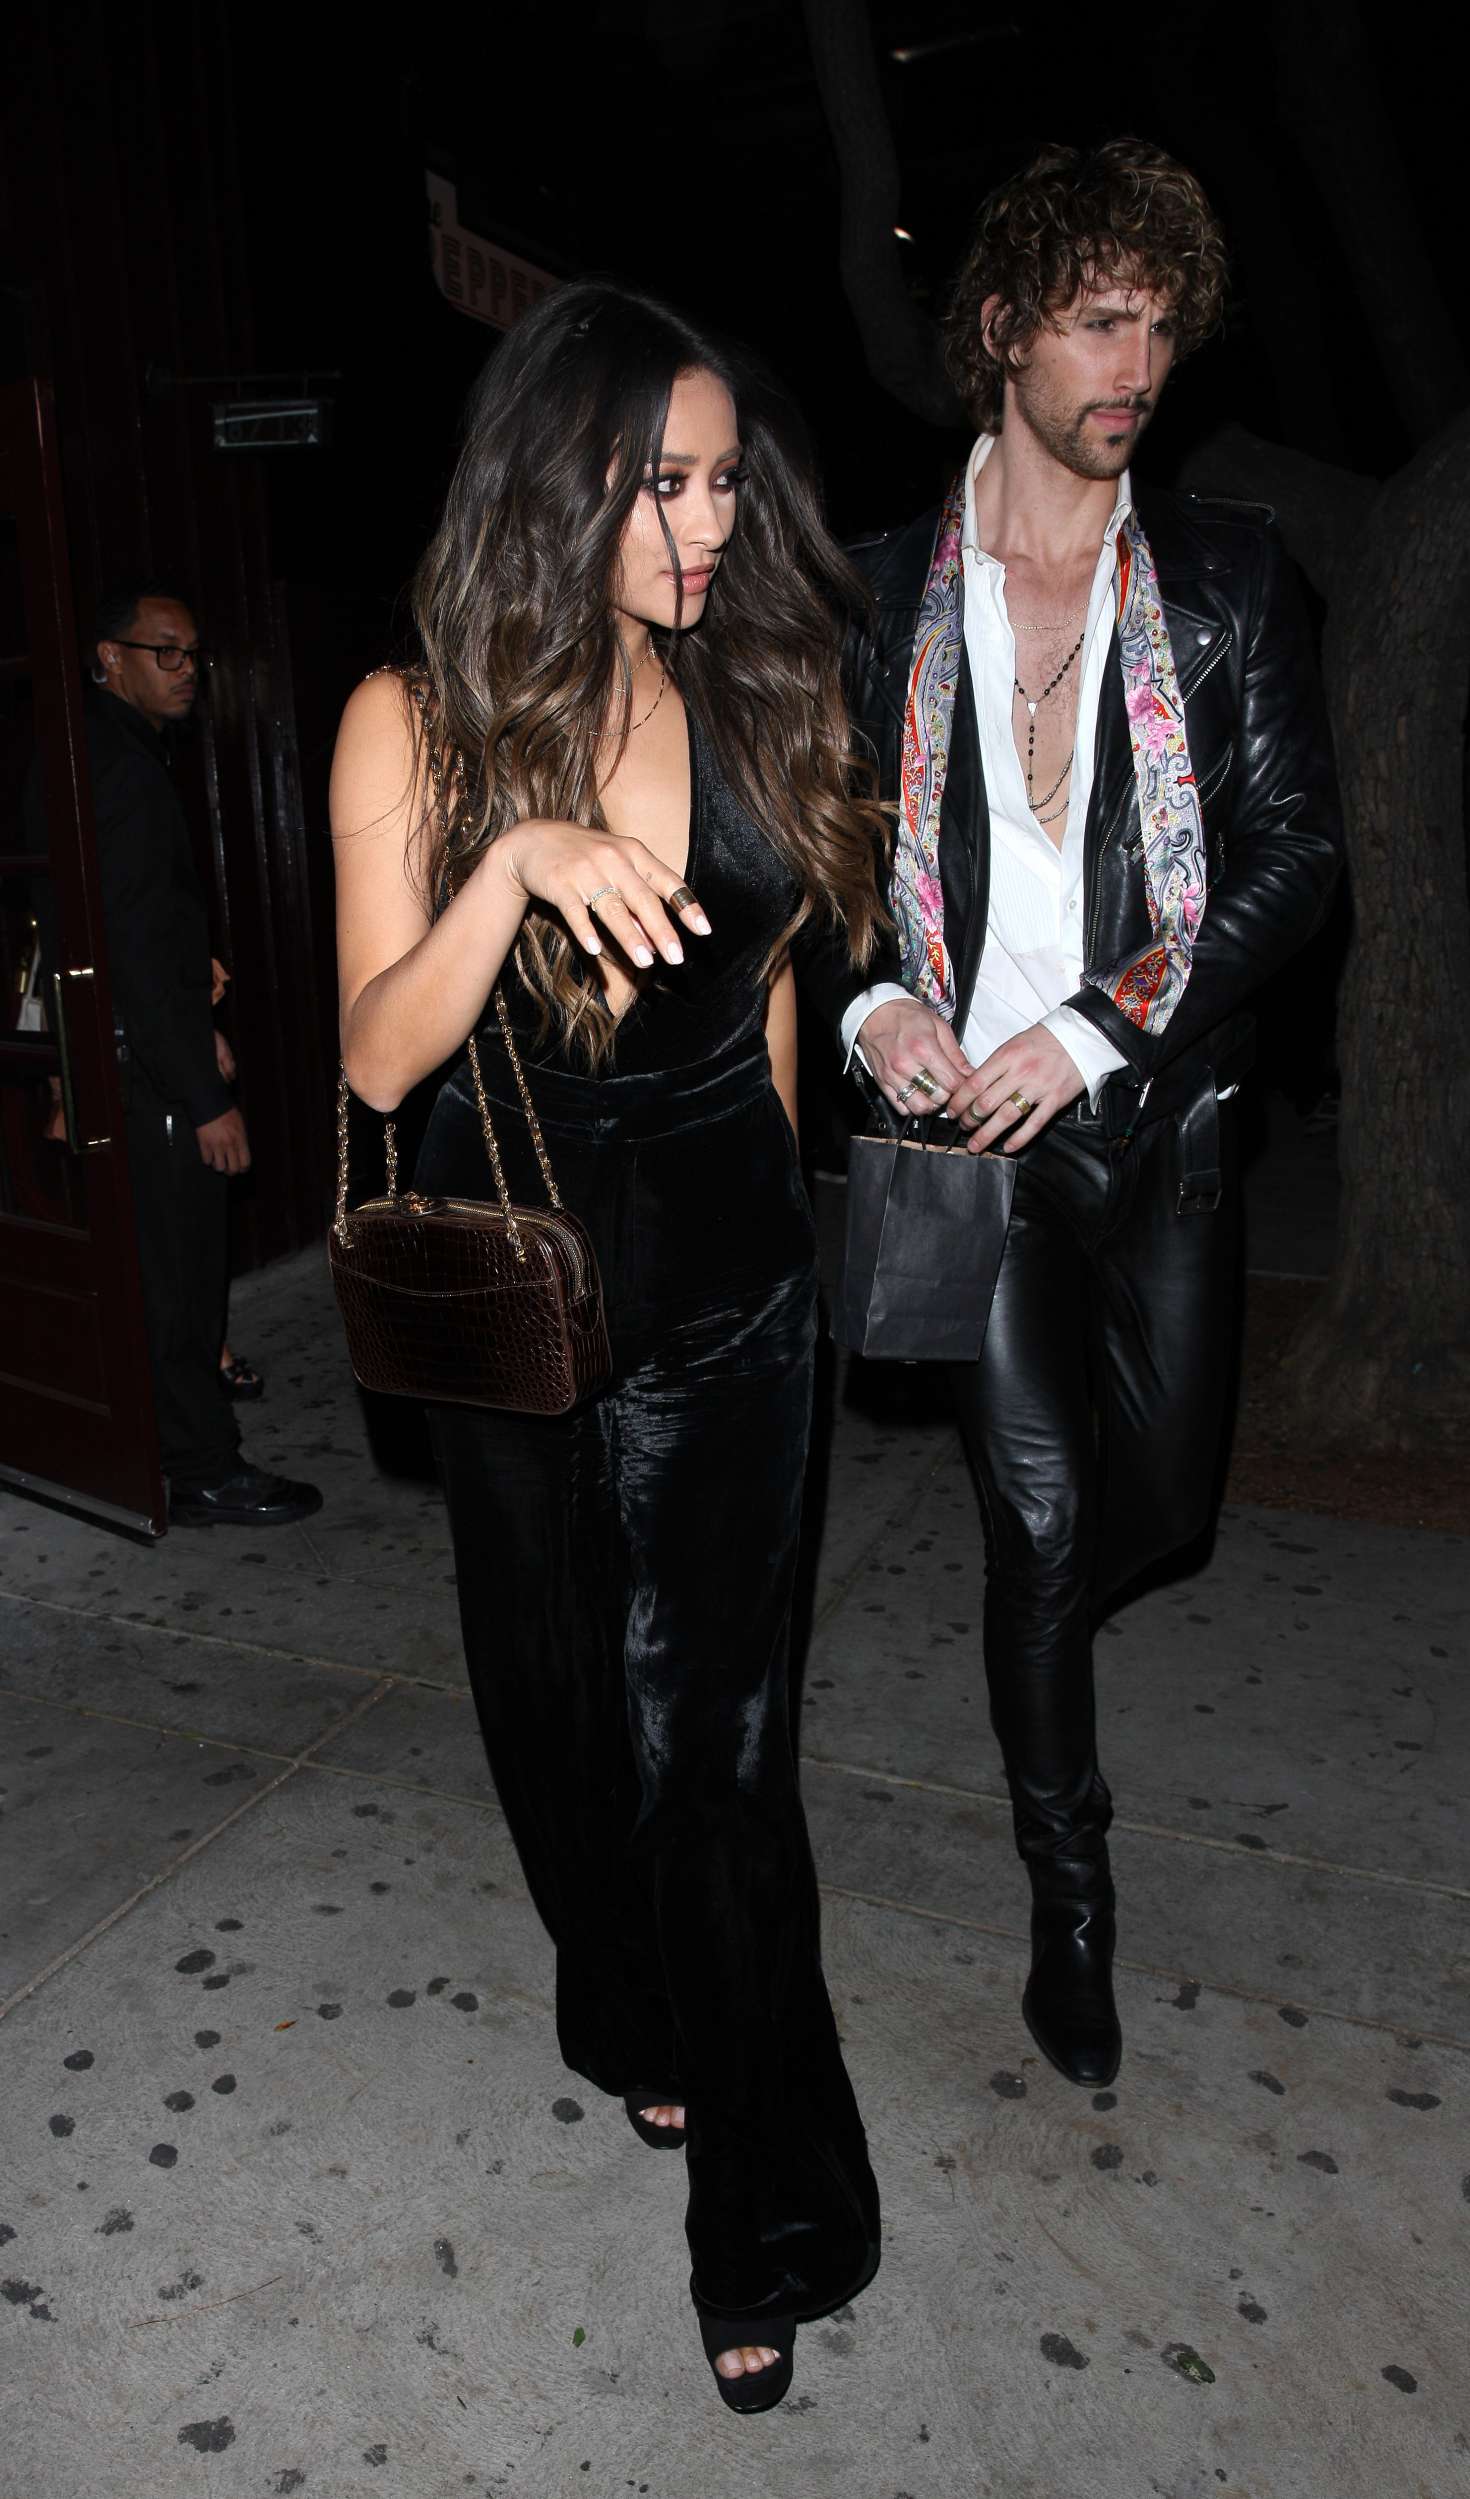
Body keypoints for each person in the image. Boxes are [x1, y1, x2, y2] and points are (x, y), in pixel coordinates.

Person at [330, 283, 885, 2412]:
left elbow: (766, 996)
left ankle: (768, 2210)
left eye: (728, 481)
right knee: (563, 1722)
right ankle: (631, 2005)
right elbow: (381, 1053)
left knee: (717, 1758)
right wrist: (512, 866)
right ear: (558, 480)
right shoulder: (414, 720)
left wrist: (790, 1240)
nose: (710, 524)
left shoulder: (751, 679)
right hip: (525, 1302)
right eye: (667, 482)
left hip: (735, 1290)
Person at [804, 142, 1342, 2088]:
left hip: (1162, 1128)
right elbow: (815, 860)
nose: (1142, 361)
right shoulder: (880, 594)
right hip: (976, 1153)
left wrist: (1101, 1026)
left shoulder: (1224, 577)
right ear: (1004, 328)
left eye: (1164, 323)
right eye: (1104, 318)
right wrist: (873, 1002)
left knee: (1160, 1510)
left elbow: (1295, 860)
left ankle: (1033, 1625)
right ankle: (1073, 1892)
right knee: (1036, 1525)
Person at [87, 587, 318, 1524]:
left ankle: (172, 1448)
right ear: (111, 658)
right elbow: (133, 954)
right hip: (146, 1078)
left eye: (192, 654)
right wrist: (203, 1096)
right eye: (164, 652)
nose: (186, 670)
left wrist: (195, 1008)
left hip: (137, 1053)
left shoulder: (108, 753)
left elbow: (135, 939)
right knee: (178, 1276)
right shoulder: (119, 771)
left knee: (168, 1272)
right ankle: (201, 1467)